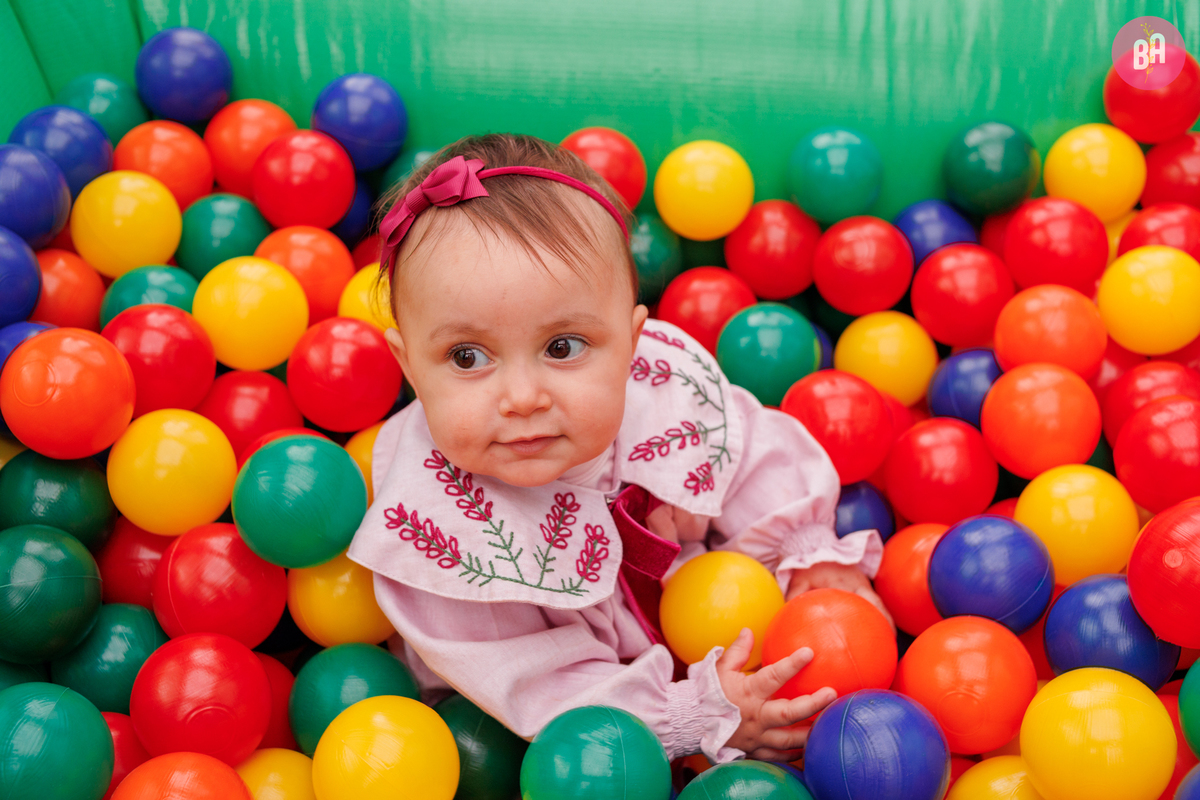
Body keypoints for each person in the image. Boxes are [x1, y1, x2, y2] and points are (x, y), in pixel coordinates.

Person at [348, 133, 886, 764]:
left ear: (632, 345)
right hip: (546, 739)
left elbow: (749, 455)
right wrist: (691, 716)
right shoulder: (440, 531)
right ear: (409, 367)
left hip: (711, 622)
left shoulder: (660, 396)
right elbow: (537, 683)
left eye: (563, 347)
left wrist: (811, 558)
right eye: (467, 357)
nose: (522, 397)